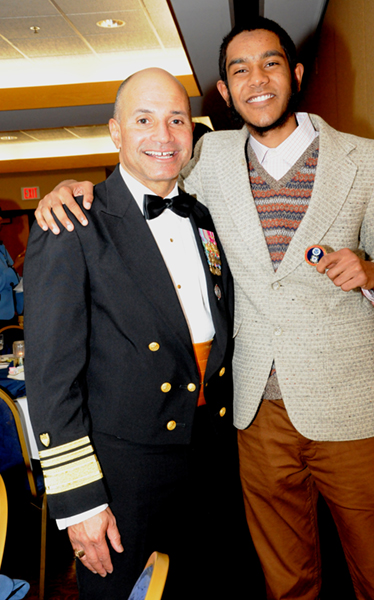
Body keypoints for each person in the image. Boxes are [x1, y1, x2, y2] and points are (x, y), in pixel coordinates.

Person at [33, 17, 374, 600]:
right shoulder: (205, 161)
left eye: (271, 63)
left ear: (296, 73)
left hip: (333, 405)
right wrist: (69, 192)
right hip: (237, 423)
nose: (257, 79)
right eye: (238, 70)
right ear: (225, 94)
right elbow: (139, 183)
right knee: (280, 578)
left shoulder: (367, 158)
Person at [24, 68, 260, 600]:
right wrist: (80, 503)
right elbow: (49, 379)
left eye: (177, 120)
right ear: (115, 133)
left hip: (210, 456)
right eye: (144, 120)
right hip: (122, 471)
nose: (163, 135)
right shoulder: (73, 222)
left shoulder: (203, 218)